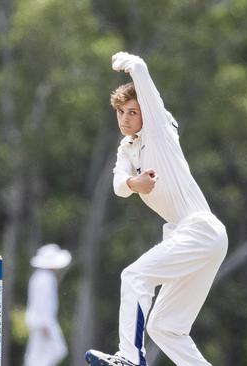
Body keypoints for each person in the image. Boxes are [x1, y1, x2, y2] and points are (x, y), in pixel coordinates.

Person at [85, 52, 228, 366]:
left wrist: (127, 61)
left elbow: (141, 71)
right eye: (120, 112)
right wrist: (136, 184)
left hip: (200, 229)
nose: (125, 118)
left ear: (147, 113)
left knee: (134, 276)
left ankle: (130, 357)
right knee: (165, 327)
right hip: (197, 237)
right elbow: (119, 185)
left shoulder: (159, 131)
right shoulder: (127, 147)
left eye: (132, 111)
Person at [24, 243, 72, 366]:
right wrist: (44, 325)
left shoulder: (39, 276)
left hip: (40, 322)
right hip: (43, 323)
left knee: (39, 355)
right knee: (51, 352)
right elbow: (42, 303)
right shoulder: (45, 278)